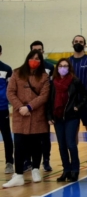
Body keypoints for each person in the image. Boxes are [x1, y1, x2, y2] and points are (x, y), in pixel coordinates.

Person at [3, 50, 50, 188]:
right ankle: (18, 174)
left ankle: (36, 169)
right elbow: (10, 92)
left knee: (36, 144)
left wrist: (29, 107)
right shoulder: (17, 73)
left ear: (41, 61)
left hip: (36, 114)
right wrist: (20, 107)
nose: (34, 60)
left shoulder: (44, 76)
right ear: (27, 58)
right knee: (19, 144)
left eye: (37, 58)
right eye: (32, 58)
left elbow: (44, 95)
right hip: (20, 115)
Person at [47, 58, 87, 183]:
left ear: (69, 68)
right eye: (61, 66)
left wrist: (78, 107)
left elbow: (85, 95)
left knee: (70, 143)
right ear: (57, 68)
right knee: (62, 145)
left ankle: (75, 170)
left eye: (65, 66)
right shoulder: (52, 82)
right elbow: (49, 101)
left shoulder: (75, 81)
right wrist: (49, 116)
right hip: (58, 117)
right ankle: (66, 170)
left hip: (71, 117)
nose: (63, 68)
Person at [69, 35, 87, 172]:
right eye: (76, 42)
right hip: (71, 104)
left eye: (81, 42)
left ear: (85, 44)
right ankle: (74, 161)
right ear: (72, 44)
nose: (78, 43)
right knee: (73, 132)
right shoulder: (67, 62)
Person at [29, 40, 54, 172]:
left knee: (45, 135)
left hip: (45, 105)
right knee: (30, 136)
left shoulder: (50, 67)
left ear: (43, 51)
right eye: (34, 50)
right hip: (30, 106)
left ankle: (46, 160)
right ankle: (30, 162)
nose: (37, 52)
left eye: (39, 50)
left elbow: (52, 87)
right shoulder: (25, 69)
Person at [0, 45, 14, 175]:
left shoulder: (6, 69)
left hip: (2, 108)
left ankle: (9, 162)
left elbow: (11, 89)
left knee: (6, 136)